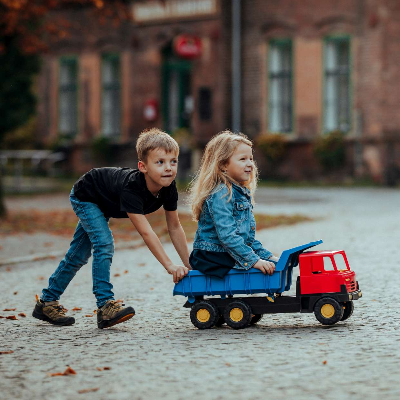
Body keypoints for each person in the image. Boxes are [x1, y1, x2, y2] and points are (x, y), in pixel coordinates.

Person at [33, 128, 190, 329]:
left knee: (78, 255)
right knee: (104, 243)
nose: (168, 168)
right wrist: (170, 266)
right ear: (143, 167)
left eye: (173, 161)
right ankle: (105, 306)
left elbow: (175, 227)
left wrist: (189, 266)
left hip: (105, 201)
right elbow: (146, 232)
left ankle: (46, 302)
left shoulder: (169, 188)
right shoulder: (133, 188)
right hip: (87, 195)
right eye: (160, 162)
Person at [188, 130, 278, 278]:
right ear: (223, 164)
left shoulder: (240, 192)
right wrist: (255, 261)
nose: (250, 164)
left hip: (226, 251)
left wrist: (268, 257)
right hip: (213, 255)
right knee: (255, 267)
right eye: (243, 159)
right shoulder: (221, 193)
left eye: (251, 158)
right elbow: (227, 236)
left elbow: (247, 240)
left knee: (266, 264)